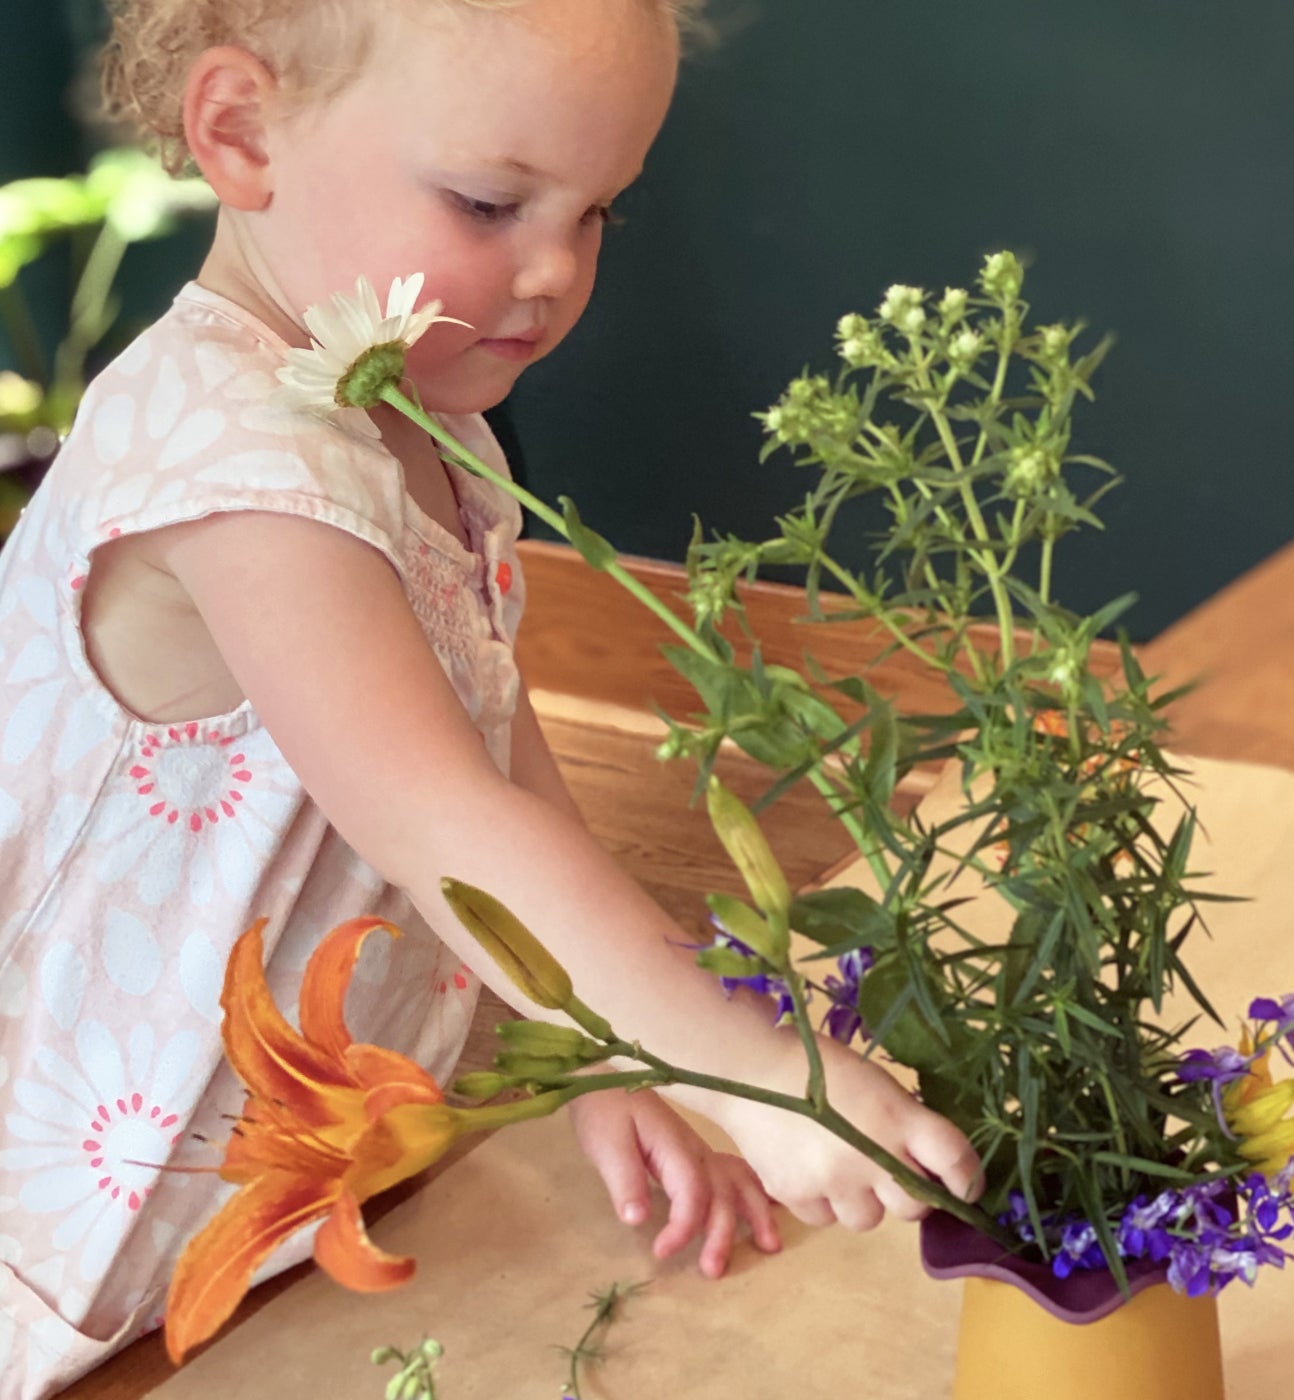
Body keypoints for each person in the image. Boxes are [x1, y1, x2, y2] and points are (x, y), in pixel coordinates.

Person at [0, 1, 983, 1393]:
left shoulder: (412, 404)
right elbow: (441, 813)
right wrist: (741, 1066)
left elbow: (489, 731)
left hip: (306, 1166)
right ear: (239, 132)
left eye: (598, 217)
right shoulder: (232, 457)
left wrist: (605, 1038)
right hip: (86, 1189)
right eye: (489, 202)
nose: (551, 275)